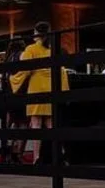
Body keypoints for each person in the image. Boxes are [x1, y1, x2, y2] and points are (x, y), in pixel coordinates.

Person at [11, 22, 68, 164]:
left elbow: (25, 69)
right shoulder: (53, 49)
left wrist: (13, 80)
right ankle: (60, 154)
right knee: (51, 124)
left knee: (36, 124)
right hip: (51, 88)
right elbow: (62, 70)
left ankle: (36, 158)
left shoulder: (31, 49)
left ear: (36, 33)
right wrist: (64, 90)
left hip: (36, 88)